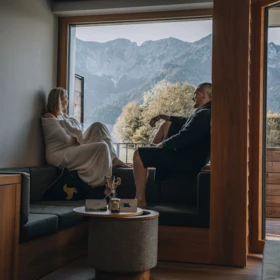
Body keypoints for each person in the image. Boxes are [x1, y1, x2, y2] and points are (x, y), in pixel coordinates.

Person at [133, 82, 212, 207]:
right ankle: (154, 158)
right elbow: (186, 121)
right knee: (169, 124)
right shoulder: (205, 112)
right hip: (191, 158)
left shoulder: (203, 114)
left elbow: (185, 136)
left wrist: (162, 145)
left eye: (195, 93)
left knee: (138, 155)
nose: (193, 97)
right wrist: (164, 116)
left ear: (203, 94)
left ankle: (140, 200)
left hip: (187, 160)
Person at [42, 87, 128, 190]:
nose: (67, 101)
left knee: (98, 126)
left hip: (72, 146)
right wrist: (75, 133)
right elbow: (67, 139)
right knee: (102, 146)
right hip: (59, 154)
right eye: (65, 98)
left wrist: (73, 130)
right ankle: (107, 183)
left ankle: (114, 159)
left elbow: (76, 134)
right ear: (59, 100)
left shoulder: (64, 117)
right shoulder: (49, 117)